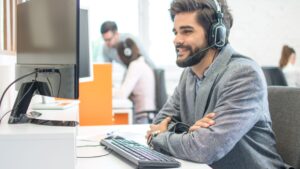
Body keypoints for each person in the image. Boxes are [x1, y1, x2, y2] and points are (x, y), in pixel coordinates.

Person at [146, 0, 287, 168]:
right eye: (175, 32)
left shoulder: (243, 75)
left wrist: (160, 137)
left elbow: (204, 149)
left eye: (186, 31)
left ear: (216, 34)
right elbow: (159, 123)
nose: (176, 40)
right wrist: (190, 132)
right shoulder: (189, 74)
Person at [114, 38, 156, 124]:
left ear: (125, 54)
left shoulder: (135, 66)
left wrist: (107, 92)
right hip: (145, 116)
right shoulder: (140, 64)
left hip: (143, 118)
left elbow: (122, 95)